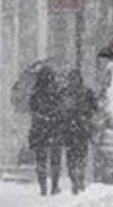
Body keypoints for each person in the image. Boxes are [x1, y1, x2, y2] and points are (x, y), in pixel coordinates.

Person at [60, 70, 101, 195]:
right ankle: (78, 179)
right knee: (79, 157)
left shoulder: (65, 92)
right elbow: (95, 108)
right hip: (80, 129)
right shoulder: (86, 92)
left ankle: (76, 180)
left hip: (72, 129)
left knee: (73, 158)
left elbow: (59, 111)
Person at [27, 66, 64, 196]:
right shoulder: (56, 93)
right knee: (55, 159)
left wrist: (41, 118)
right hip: (54, 129)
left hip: (39, 130)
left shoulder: (35, 93)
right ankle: (54, 186)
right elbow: (61, 111)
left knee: (41, 159)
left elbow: (32, 110)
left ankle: (43, 187)